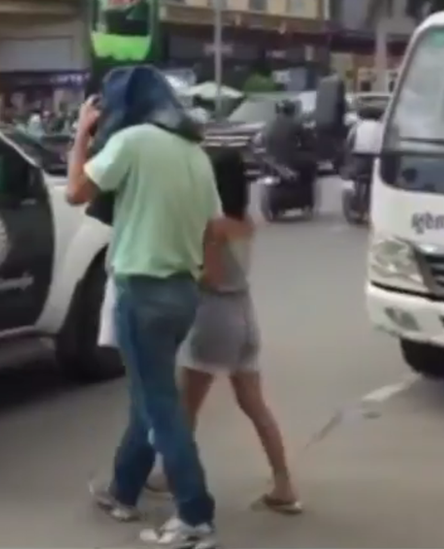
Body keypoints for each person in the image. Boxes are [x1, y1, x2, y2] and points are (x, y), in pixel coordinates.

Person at [66, 65, 222, 549]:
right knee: (148, 395)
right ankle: (123, 490)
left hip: (143, 289)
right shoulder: (195, 152)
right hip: (182, 291)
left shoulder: (132, 141)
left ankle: (195, 513)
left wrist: (80, 136)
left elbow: (75, 191)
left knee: (160, 406)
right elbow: (214, 228)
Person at [178, 149, 301, 514]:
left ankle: (176, 478)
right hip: (246, 315)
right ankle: (283, 483)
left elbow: (209, 277)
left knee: (185, 407)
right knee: (255, 405)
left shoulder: (213, 227)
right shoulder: (247, 222)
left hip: (214, 317)